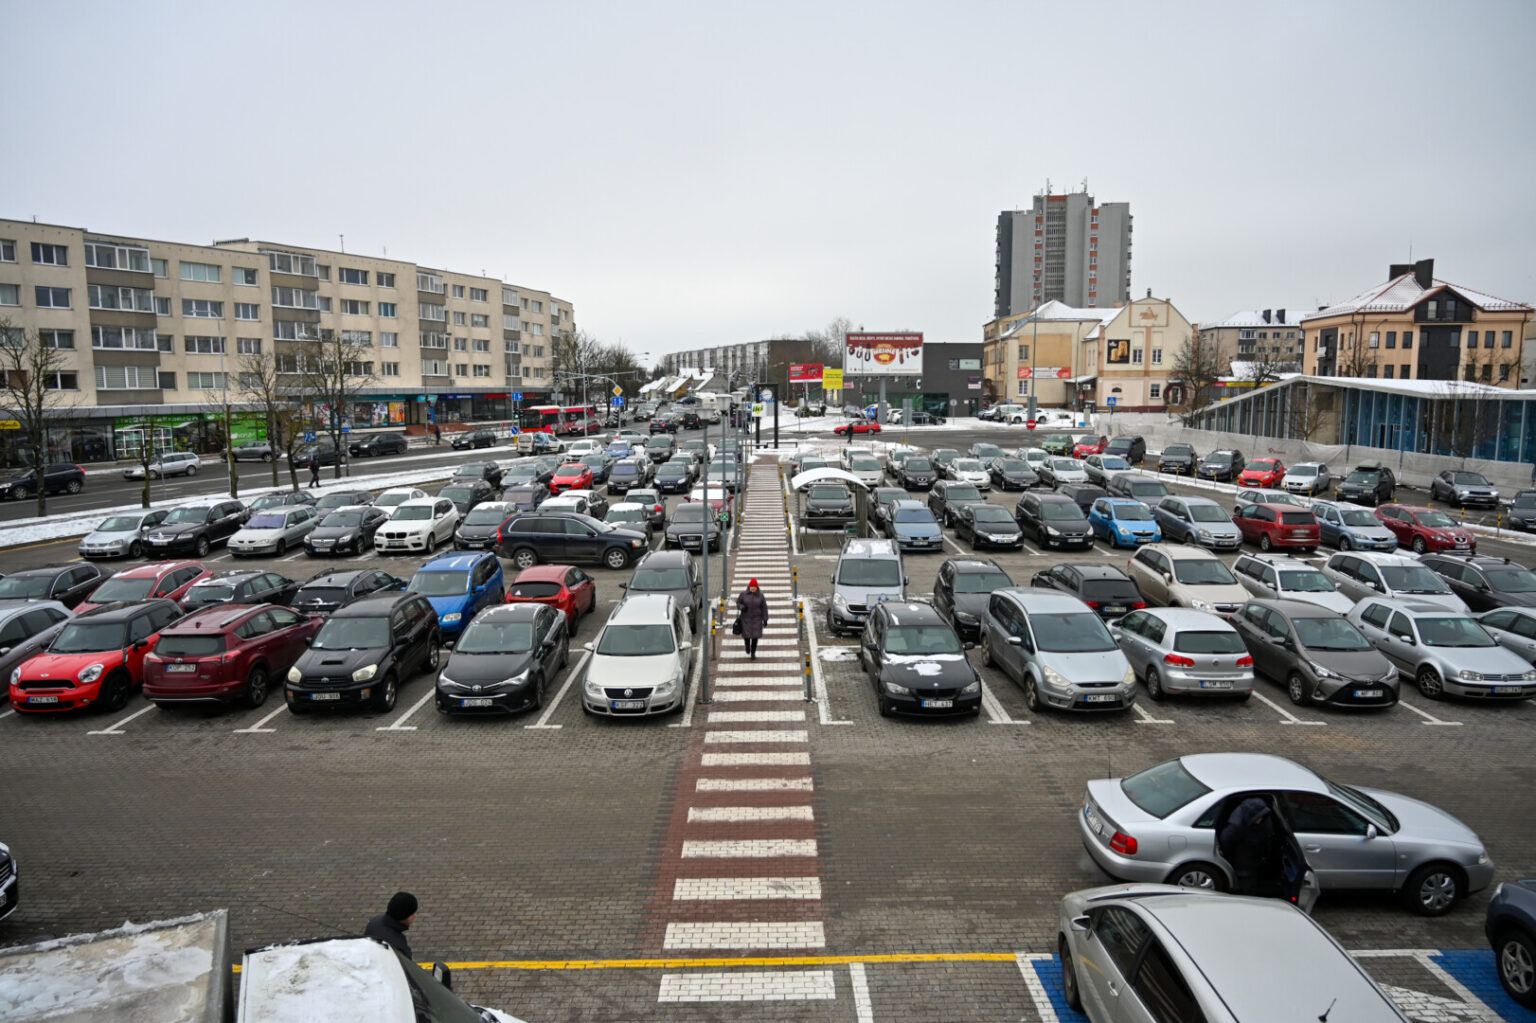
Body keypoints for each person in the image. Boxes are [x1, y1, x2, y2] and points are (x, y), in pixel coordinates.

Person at [363, 891, 417, 958]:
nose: (415, 916)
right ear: (404, 916)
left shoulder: (376, 920)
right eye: (412, 914)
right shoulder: (397, 946)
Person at [736, 578, 768, 659]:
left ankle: (753, 653)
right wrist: (742, 607)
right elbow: (738, 603)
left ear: (757, 587)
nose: (753, 588)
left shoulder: (761, 596)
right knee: (746, 636)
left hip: (757, 620)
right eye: (752, 587)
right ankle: (747, 646)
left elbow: (764, 608)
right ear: (749, 587)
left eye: (754, 587)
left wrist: (765, 619)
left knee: (755, 638)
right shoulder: (743, 594)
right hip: (745, 619)